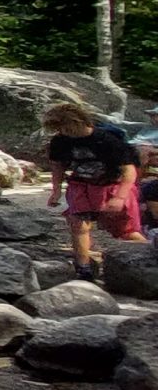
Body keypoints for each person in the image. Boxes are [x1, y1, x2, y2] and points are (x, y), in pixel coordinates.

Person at [42, 102, 145, 280]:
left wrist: (120, 197)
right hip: (81, 185)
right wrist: (56, 191)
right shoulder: (60, 141)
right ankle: (84, 267)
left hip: (111, 185)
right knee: (78, 225)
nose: (62, 132)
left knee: (126, 231)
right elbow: (57, 166)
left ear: (76, 122)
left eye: (63, 127)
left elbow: (129, 171)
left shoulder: (106, 140)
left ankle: (150, 253)